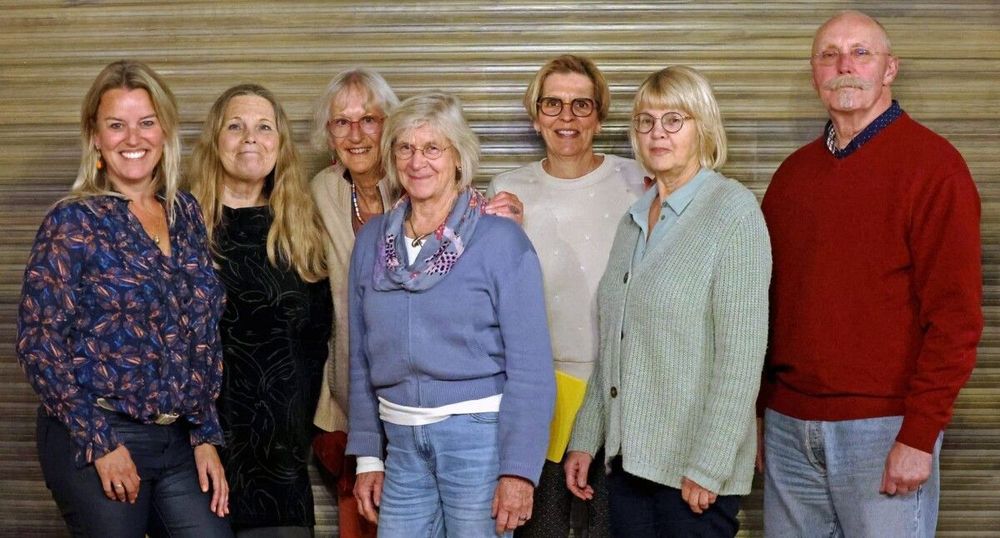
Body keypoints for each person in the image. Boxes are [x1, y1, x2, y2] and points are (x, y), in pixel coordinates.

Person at [758, 10, 983, 537]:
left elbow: (955, 319)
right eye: (829, 55)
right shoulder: (791, 177)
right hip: (789, 430)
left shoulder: (935, 168)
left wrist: (920, 434)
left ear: (889, 69)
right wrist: (763, 410)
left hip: (884, 430)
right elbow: (768, 306)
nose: (844, 66)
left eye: (861, 53)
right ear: (814, 72)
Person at [15, 60, 232, 537]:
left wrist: (204, 434)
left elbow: (201, 336)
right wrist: (99, 441)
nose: (133, 138)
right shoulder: (73, 223)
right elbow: (38, 342)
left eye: (146, 122)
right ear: (95, 137)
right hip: (99, 431)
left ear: (165, 131)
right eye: (116, 125)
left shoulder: (186, 213)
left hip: (178, 439)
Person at [564, 66, 771, 537]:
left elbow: (741, 359)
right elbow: (614, 343)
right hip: (629, 465)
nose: (657, 133)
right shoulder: (635, 220)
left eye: (674, 119)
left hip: (692, 475)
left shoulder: (733, 213)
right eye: (646, 121)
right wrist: (587, 438)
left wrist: (710, 465)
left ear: (703, 126)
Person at [346, 92, 556, 537]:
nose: (417, 161)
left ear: (458, 157)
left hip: (478, 440)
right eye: (405, 147)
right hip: (400, 442)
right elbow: (359, 355)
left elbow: (532, 367)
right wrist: (368, 457)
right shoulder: (371, 242)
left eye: (432, 148)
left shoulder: (501, 240)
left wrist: (518, 471)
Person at [486, 54, 646, 538]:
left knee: (610, 529)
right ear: (535, 116)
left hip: (621, 392)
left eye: (582, 104)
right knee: (542, 529)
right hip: (542, 397)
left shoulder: (637, 180)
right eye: (552, 104)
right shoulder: (508, 189)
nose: (567, 117)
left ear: (600, 116)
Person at [188, 84, 332, 537]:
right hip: (196, 456)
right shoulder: (180, 225)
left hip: (280, 461)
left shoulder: (301, 228)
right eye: (236, 126)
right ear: (215, 140)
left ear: (280, 143)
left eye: (264, 127)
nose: (250, 137)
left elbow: (316, 343)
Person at [307, 68, 399, 538]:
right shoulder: (321, 191)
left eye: (369, 120)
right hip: (346, 405)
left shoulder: (420, 180)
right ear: (329, 134)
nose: (356, 135)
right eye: (341, 122)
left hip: (417, 406)